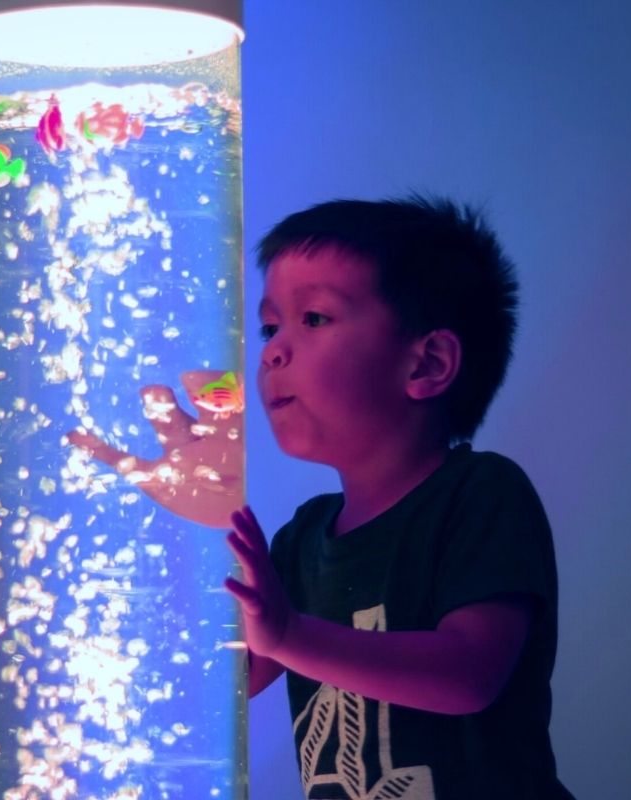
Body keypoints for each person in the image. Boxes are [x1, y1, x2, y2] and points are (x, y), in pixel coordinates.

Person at [224, 197, 575, 800]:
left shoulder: (482, 494)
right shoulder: (302, 538)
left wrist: (287, 635)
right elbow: (238, 678)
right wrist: (190, 490)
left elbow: (470, 673)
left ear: (428, 363)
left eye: (313, 319)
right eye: (269, 326)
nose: (273, 351)